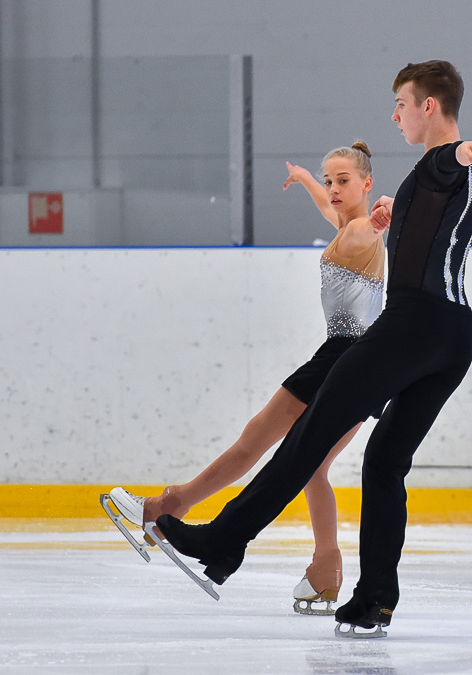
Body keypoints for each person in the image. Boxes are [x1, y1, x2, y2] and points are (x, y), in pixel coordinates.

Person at [155, 60, 472, 638]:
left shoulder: (448, 164)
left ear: (429, 107)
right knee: (385, 463)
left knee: (310, 434)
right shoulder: (435, 178)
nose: (394, 115)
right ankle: (375, 598)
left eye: (401, 104)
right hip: (453, 335)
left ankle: (223, 540)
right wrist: (399, 213)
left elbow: (450, 159)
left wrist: (464, 151)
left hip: (413, 325)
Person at [106, 141, 386, 615]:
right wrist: (303, 178)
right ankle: (323, 568)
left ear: (367, 184)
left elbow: (367, 230)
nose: (334, 189)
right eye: (331, 179)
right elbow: (328, 206)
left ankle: (170, 507)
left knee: (281, 451)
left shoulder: (360, 230)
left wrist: (381, 219)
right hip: (345, 359)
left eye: (344, 181)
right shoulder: (342, 219)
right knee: (275, 448)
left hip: (349, 359)